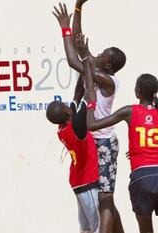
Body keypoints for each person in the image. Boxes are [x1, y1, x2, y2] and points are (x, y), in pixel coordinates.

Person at [75, 34, 158, 233]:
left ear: (137, 92)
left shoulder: (130, 111)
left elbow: (92, 125)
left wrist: (90, 101)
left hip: (142, 176)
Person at [53, 3, 126, 233]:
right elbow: (78, 45)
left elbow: (75, 60)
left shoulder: (107, 81)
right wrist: (78, 8)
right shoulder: (96, 67)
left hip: (104, 142)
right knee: (103, 198)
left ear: (109, 65)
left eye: (103, 54)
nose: (98, 54)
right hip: (91, 141)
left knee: (105, 198)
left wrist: (64, 28)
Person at [46, 72, 100, 232]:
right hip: (87, 181)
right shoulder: (77, 126)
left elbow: (77, 95)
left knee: (85, 228)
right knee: (97, 226)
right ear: (66, 112)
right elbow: (89, 94)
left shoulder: (64, 126)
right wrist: (87, 66)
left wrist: (83, 73)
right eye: (64, 105)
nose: (67, 104)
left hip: (78, 181)